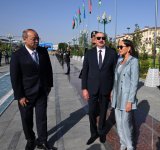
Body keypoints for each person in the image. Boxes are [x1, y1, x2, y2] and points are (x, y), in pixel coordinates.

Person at [10, 29, 56, 150]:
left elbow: (48, 70)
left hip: (41, 92)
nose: (36, 41)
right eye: (33, 39)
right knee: (26, 120)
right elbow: (15, 78)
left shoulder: (42, 52)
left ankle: (43, 141)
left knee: (42, 118)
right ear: (25, 39)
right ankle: (30, 139)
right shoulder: (17, 55)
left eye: (37, 38)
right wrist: (20, 96)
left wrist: (49, 86)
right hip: (26, 95)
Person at [82, 32, 117, 145]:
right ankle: (93, 133)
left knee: (103, 112)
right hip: (92, 88)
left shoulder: (112, 53)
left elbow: (115, 73)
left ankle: (101, 132)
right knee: (91, 111)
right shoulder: (89, 53)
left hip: (106, 88)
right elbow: (85, 72)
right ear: (95, 40)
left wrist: (113, 89)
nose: (101, 40)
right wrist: (84, 88)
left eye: (103, 38)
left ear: (105, 39)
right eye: (99, 38)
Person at [111, 39, 139, 150]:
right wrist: (112, 92)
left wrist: (130, 101)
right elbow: (116, 80)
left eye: (121, 47)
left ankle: (130, 145)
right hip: (117, 97)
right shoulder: (119, 61)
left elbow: (134, 83)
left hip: (127, 97)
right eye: (118, 47)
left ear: (129, 48)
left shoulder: (134, 61)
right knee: (118, 121)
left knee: (125, 122)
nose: (119, 49)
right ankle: (122, 143)